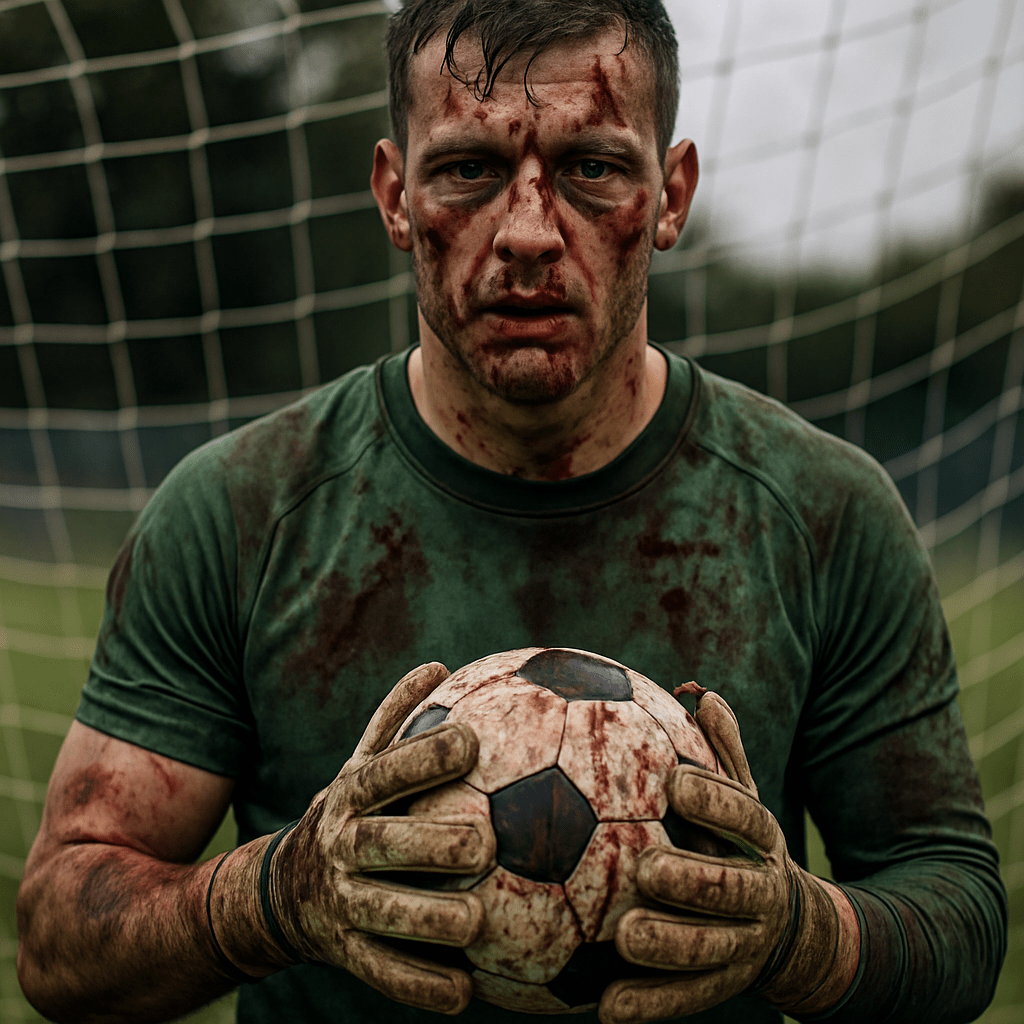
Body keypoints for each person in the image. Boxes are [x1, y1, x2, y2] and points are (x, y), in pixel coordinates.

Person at [16, 1, 1007, 1022]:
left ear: (670, 197)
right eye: (468, 170)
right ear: (396, 196)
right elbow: (56, 939)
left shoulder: (822, 511)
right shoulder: (239, 512)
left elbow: (960, 917)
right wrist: (273, 897)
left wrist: (800, 933)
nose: (529, 232)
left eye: (591, 167)